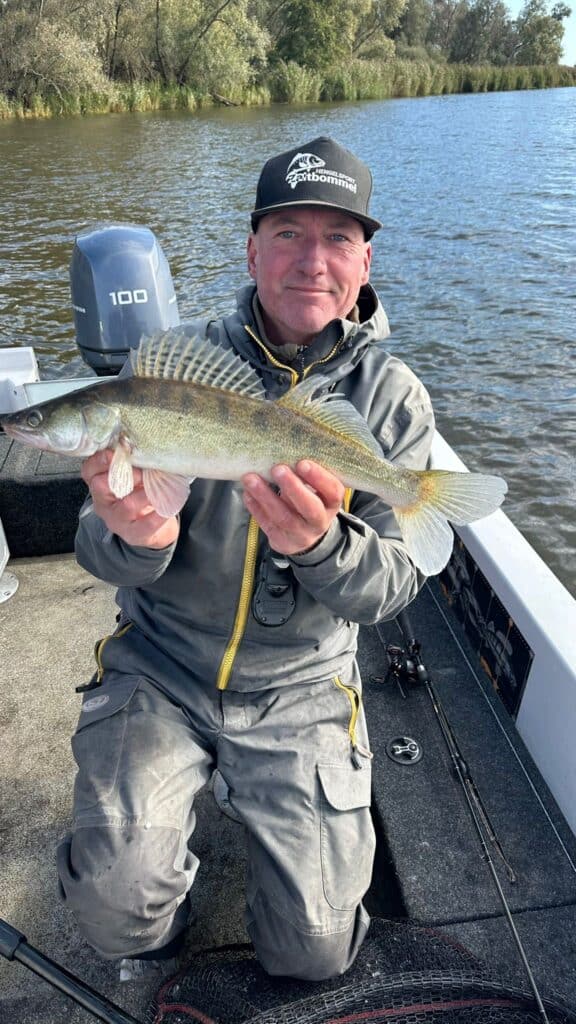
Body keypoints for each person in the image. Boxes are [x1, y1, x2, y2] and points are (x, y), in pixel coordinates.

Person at [57, 136, 435, 983]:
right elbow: (95, 544)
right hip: (164, 665)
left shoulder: (392, 400)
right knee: (117, 903)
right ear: (252, 245)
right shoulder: (168, 365)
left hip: (301, 682)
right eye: (289, 233)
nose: (313, 260)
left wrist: (324, 548)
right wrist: (137, 536)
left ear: (365, 258)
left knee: (318, 948)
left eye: (337, 237)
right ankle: (156, 913)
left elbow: (393, 587)